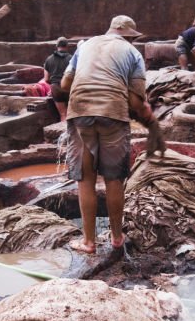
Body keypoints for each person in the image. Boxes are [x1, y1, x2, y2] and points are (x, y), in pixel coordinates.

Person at [59, 15, 165, 254]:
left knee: (85, 179)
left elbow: (65, 84)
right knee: (113, 179)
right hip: (113, 115)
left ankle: (89, 243)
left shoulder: (85, 45)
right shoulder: (133, 53)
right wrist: (148, 118)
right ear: (127, 35)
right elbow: (136, 101)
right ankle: (117, 238)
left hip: (81, 112)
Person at [43, 37, 74, 119]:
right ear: (67, 46)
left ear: (57, 46)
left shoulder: (49, 59)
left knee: (63, 114)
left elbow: (46, 79)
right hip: (69, 88)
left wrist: (54, 84)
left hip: (56, 89)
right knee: (73, 113)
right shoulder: (72, 59)